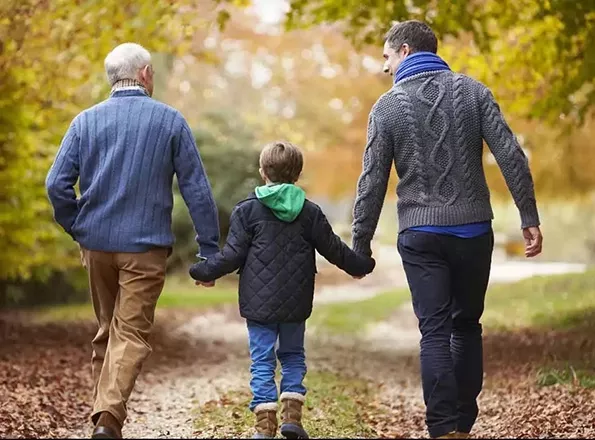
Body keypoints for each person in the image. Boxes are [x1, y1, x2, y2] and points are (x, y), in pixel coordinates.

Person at [351, 20, 543, 439]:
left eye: (386, 57)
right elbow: (511, 154)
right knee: (466, 325)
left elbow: (372, 180)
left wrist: (360, 244)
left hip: (420, 234)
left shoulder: (387, 107)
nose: (384, 68)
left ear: (404, 51)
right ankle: (463, 421)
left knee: (434, 332)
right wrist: (528, 217)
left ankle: (443, 429)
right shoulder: (474, 92)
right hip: (474, 229)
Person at [45, 42, 220, 439]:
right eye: (153, 72)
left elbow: (56, 184)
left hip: (96, 246)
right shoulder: (170, 121)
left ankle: (103, 420)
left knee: (108, 330)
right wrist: (208, 250)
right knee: (130, 334)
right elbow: (196, 189)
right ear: (143, 74)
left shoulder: (85, 122)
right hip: (145, 248)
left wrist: (79, 226)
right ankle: (107, 419)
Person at [189, 141, 375, 439]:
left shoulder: (247, 211)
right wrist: (359, 265)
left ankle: (265, 425)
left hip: (258, 302)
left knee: (262, 359)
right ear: (297, 174)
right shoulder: (309, 212)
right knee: (292, 355)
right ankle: (292, 417)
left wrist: (204, 272)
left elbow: (233, 254)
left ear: (263, 172)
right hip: (295, 301)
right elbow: (334, 249)